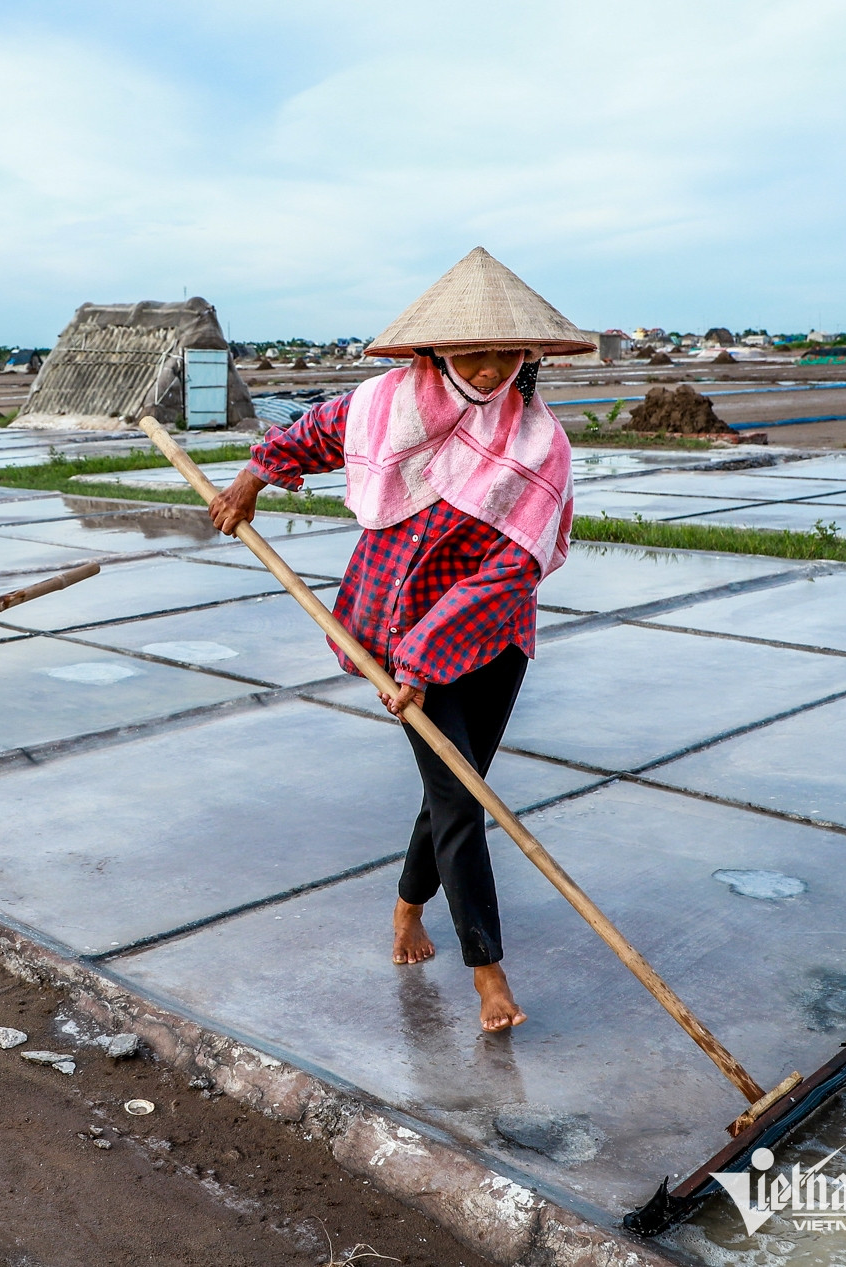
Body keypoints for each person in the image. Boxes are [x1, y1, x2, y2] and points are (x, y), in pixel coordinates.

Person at [208, 248, 584, 1033]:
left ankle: (407, 906)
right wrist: (252, 476)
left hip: (490, 638)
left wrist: (425, 657)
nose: (487, 369)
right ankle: (488, 973)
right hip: (390, 627)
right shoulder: (382, 405)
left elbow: (512, 567)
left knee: (459, 781)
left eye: (504, 353)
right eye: (471, 352)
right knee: (460, 800)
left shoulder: (539, 442)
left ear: (529, 355)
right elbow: (309, 434)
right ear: (434, 350)